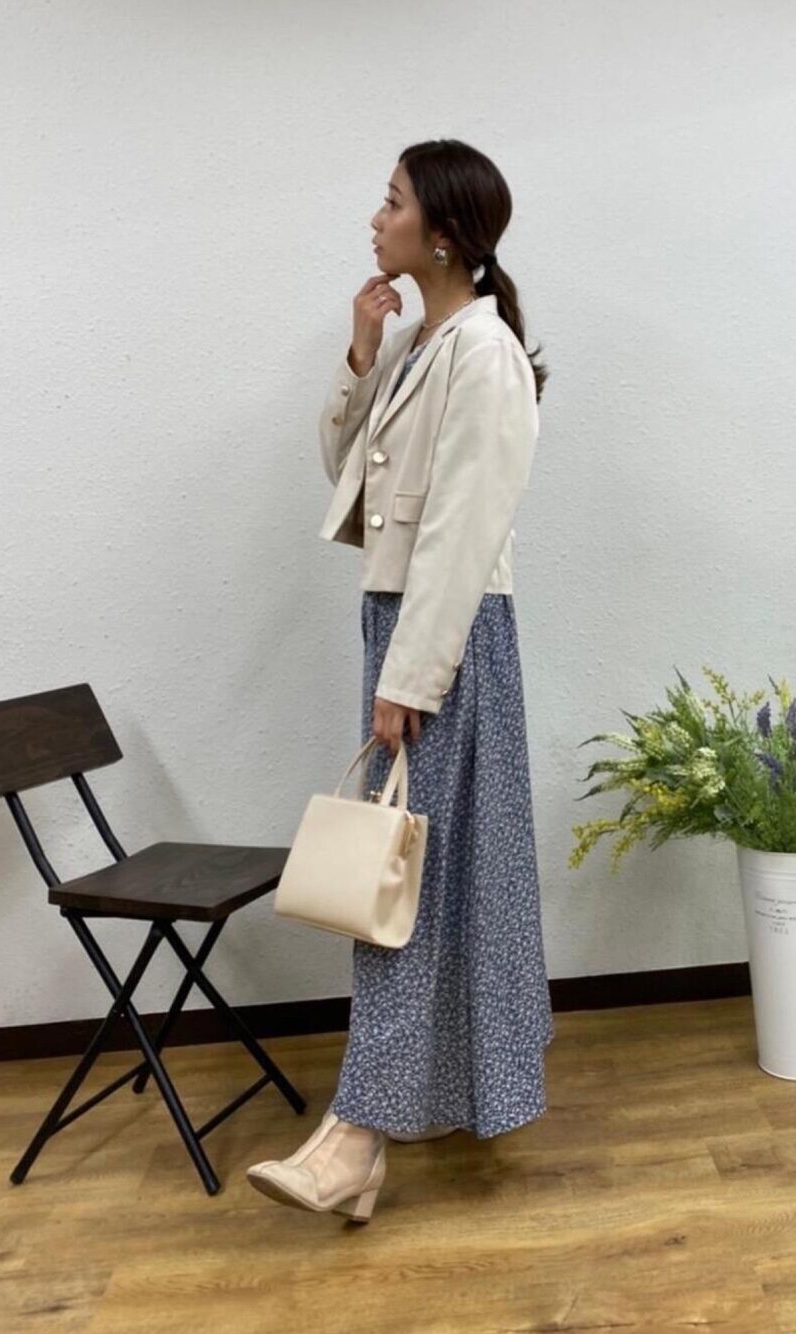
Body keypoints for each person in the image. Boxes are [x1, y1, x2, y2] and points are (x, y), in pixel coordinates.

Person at [247, 139, 553, 1224]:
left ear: (444, 233)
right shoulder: (427, 346)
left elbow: (465, 532)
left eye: (392, 204)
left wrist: (411, 676)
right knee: (423, 874)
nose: (375, 220)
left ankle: (354, 1137)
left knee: (402, 882)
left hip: (442, 636)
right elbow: (350, 481)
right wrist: (360, 352)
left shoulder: (485, 354)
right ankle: (394, 1120)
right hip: (405, 624)